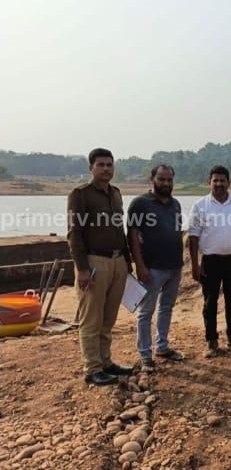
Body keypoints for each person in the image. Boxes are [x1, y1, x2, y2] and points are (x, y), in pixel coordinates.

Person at [67, 148, 133, 386]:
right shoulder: (80, 194)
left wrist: (127, 262)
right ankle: (92, 368)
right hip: (94, 262)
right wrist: (82, 268)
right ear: (91, 168)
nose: (106, 169)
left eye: (109, 165)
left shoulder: (115, 194)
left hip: (117, 261)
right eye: (101, 165)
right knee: (91, 319)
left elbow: (120, 230)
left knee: (108, 318)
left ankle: (106, 362)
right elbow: (74, 234)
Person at [188, 165, 231, 358]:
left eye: (222, 180)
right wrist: (194, 265)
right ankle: (211, 341)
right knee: (210, 303)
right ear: (209, 182)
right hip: (210, 261)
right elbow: (193, 237)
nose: (219, 184)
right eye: (215, 180)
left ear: (228, 183)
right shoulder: (200, 205)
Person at [128, 164, 185, 372]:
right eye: (161, 179)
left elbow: (177, 231)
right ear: (152, 179)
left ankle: (162, 346)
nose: (166, 183)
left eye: (169, 180)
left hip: (174, 266)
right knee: (146, 312)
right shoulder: (140, 203)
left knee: (166, 307)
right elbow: (132, 235)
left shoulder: (175, 204)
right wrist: (140, 265)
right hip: (152, 268)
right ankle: (145, 355)